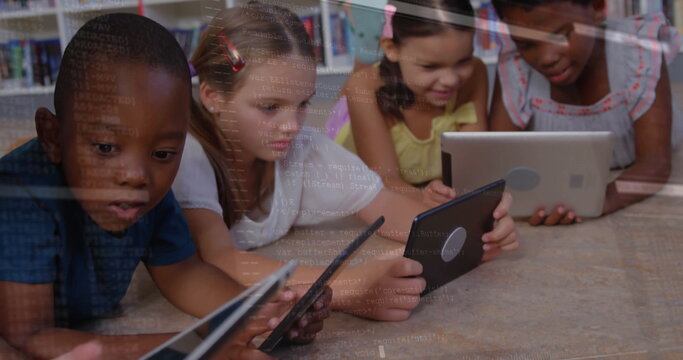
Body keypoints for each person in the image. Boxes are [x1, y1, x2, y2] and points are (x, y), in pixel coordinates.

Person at [0, 13, 328, 360]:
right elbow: (30, 337)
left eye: (163, 153)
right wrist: (197, 347)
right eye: (106, 147)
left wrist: (257, 315)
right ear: (52, 136)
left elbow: (184, 274)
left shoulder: (146, 192)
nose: (136, 174)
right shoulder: (20, 197)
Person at [172, 1, 519, 322]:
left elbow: (384, 205)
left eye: (303, 103)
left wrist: (471, 231)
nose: (292, 125)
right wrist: (347, 285)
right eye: (269, 107)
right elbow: (219, 260)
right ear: (213, 98)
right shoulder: (187, 156)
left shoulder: (302, 146)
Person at [489, 0, 683, 225]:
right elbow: (499, 160)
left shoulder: (637, 49)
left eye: (559, 37)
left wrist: (594, 201)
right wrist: (539, 200)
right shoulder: (515, 65)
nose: (547, 58)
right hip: (564, 181)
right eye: (526, 45)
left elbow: (655, 165)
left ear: (598, 8)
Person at [326, 0, 490, 207]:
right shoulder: (362, 87)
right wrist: (425, 198)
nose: (450, 79)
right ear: (391, 48)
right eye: (430, 66)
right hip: (371, 185)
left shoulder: (476, 72)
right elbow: (383, 181)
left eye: (463, 61)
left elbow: (471, 166)